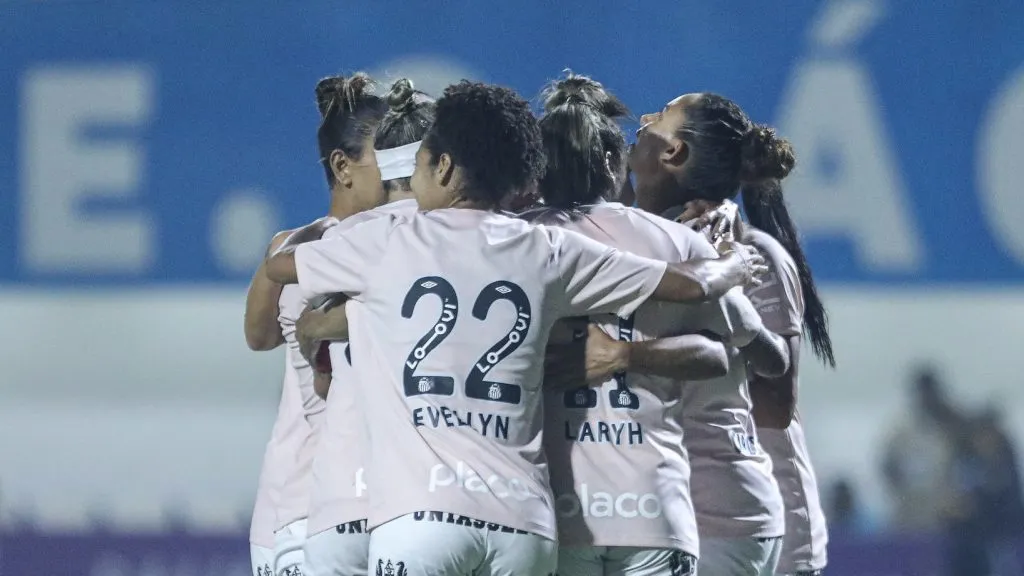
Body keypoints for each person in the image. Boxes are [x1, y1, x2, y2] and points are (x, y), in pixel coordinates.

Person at [263, 80, 767, 576]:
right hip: (526, 524)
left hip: (421, 515)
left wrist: (325, 259)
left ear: (443, 167)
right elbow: (692, 287)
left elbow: (281, 268)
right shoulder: (545, 249)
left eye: (419, 165)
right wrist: (735, 261)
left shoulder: (388, 241)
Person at [523, 73, 787, 576]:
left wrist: (622, 353)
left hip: (569, 512)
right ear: (611, 161)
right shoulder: (687, 245)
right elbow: (733, 352)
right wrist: (728, 267)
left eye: (657, 119)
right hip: (659, 510)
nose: (643, 125)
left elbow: (764, 363)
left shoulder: (515, 239)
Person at [631, 92, 830, 576]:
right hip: (678, 515)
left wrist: (658, 357)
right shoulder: (644, 244)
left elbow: (776, 407)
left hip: (757, 530)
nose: (644, 119)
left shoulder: (754, 255)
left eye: (661, 116)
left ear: (674, 151)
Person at [242, 72, 389, 576]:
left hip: (350, 497)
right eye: (387, 157)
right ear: (343, 166)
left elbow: (260, 337)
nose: (403, 171)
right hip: (311, 502)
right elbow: (259, 336)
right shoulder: (317, 249)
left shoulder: (291, 248)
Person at [297, 78, 436, 576]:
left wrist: (323, 325)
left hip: (342, 502)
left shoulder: (325, 251)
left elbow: (319, 374)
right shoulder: (450, 240)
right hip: (417, 501)